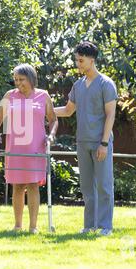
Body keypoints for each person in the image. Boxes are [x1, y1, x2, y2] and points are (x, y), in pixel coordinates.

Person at [54, 41, 118, 236]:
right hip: (82, 142)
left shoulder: (106, 84)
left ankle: (105, 226)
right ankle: (89, 225)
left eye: (81, 61)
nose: (78, 64)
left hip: (101, 142)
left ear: (92, 60)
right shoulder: (78, 85)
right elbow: (67, 110)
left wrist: (104, 143)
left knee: (104, 185)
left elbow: (110, 115)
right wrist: (44, 111)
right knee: (87, 187)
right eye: (76, 60)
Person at [0, 64, 58, 234]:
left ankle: (33, 227)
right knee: (18, 186)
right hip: (14, 148)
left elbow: (53, 120)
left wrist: (51, 135)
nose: (18, 83)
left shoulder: (43, 96)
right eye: (15, 80)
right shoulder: (10, 96)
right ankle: (18, 225)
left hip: (36, 147)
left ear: (31, 78)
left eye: (21, 79)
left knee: (33, 185)